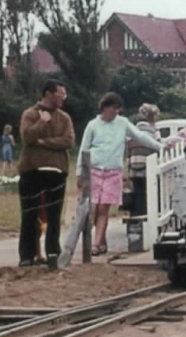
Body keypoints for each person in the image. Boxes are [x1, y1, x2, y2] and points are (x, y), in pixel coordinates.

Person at [79, 93, 175, 255]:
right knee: (94, 207)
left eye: (118, 109)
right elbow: (84, 148)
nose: (116, 111)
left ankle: (96, 244)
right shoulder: (92, 125)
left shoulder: (122, 123)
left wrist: (160, 146)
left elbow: (141, 137)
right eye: (113, 108)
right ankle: (100, 241)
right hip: (94, 169)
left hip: (112, 170)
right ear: (105, 108)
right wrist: (79, 173)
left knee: (104, 207)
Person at [18, 80, 75, 267]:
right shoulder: (30, 114)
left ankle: (53, 252)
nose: (63, 98)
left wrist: (44, 142)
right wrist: (41, 123)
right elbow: (27, 137)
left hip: (57, 171)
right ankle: (27, 255)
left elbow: (68, 141)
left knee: (54, 215)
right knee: (29, 213)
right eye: (61, 94)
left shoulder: (64, 118)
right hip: (31, 170)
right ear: (49, 94)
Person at [127, 103, 162, 218]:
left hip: (134, 165)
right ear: (152, 117)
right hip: (148, 166)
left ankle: (136, 216)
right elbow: (159, 148)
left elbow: (127, 149)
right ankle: (147, 216)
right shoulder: (154, 131)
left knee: (137, 192)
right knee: (149, 193)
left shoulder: (132, 131)